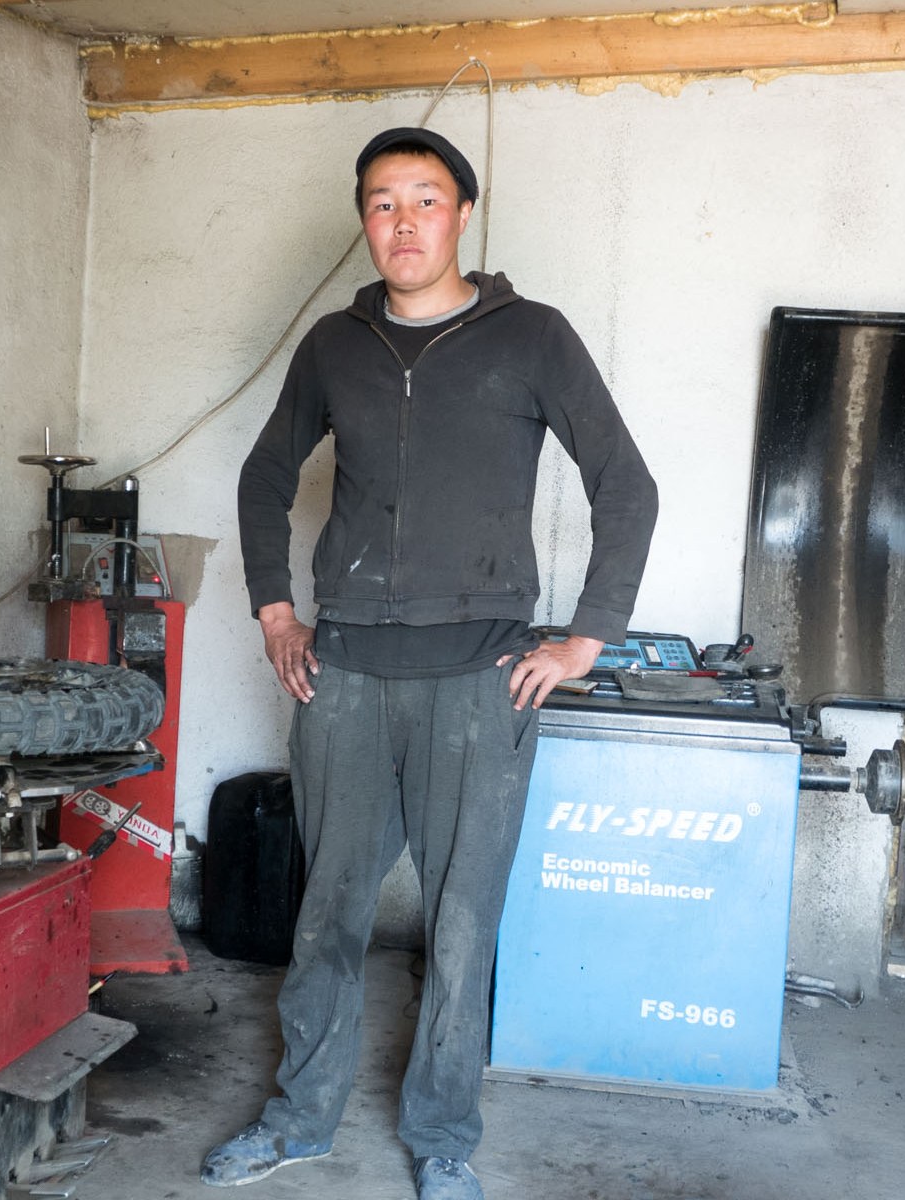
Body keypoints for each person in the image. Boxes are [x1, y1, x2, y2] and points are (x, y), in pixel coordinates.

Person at [210, 126, 659, 1200]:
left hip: (480, 679)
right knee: (327, 914)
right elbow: (265, 476)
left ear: (462, 214)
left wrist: (586, 637)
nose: (402, 221)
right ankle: (299, 1119)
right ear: (364, 223)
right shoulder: (334, 345)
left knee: (461, 928)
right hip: (347, 673)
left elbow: (625, 484)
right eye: (381, 202)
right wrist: (275, 614)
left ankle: (444, 1137)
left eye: (423, 199)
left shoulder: (531, 336)